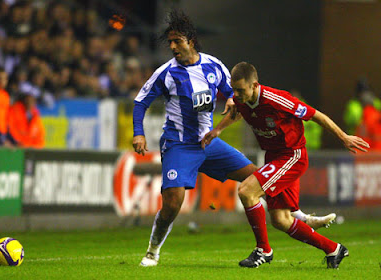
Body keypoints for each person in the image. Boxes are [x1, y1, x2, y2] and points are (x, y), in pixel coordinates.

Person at [133, 10, 334, 267]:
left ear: (191, 41)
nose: (172, 47)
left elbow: (230, 91)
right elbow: (140, 102)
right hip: (179, 144)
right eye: (170, 42)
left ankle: (295, 214)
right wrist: (138, 133)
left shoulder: (213, 66)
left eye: (177, 41)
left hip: (209, 143)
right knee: (173, 203)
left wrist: (229, 98)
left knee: (256, 179)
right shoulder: (166, 74)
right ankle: (152, 250)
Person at [202, 62, 369, 269]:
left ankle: (263, 250)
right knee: (280, 220)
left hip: (292, 156)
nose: (236, 94)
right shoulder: (242, 99)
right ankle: (334, 249)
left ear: (255, 85)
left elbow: (316, 115)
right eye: (234, 89)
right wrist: (218, 130)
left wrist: (343, 137)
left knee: (246, 191)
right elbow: (237, 112)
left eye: (240, 90)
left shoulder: (276, 99)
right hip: (273, 157)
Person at [7, 83, 45, 148]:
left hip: (31, 152)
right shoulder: (14, 110)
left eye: (33, 99)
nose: (30, 101)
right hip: (17, 148)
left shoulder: (35, 115)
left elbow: (40, 136)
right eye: (28, 98)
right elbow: (10, 129)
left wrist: (36, 148)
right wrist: (18, 143)